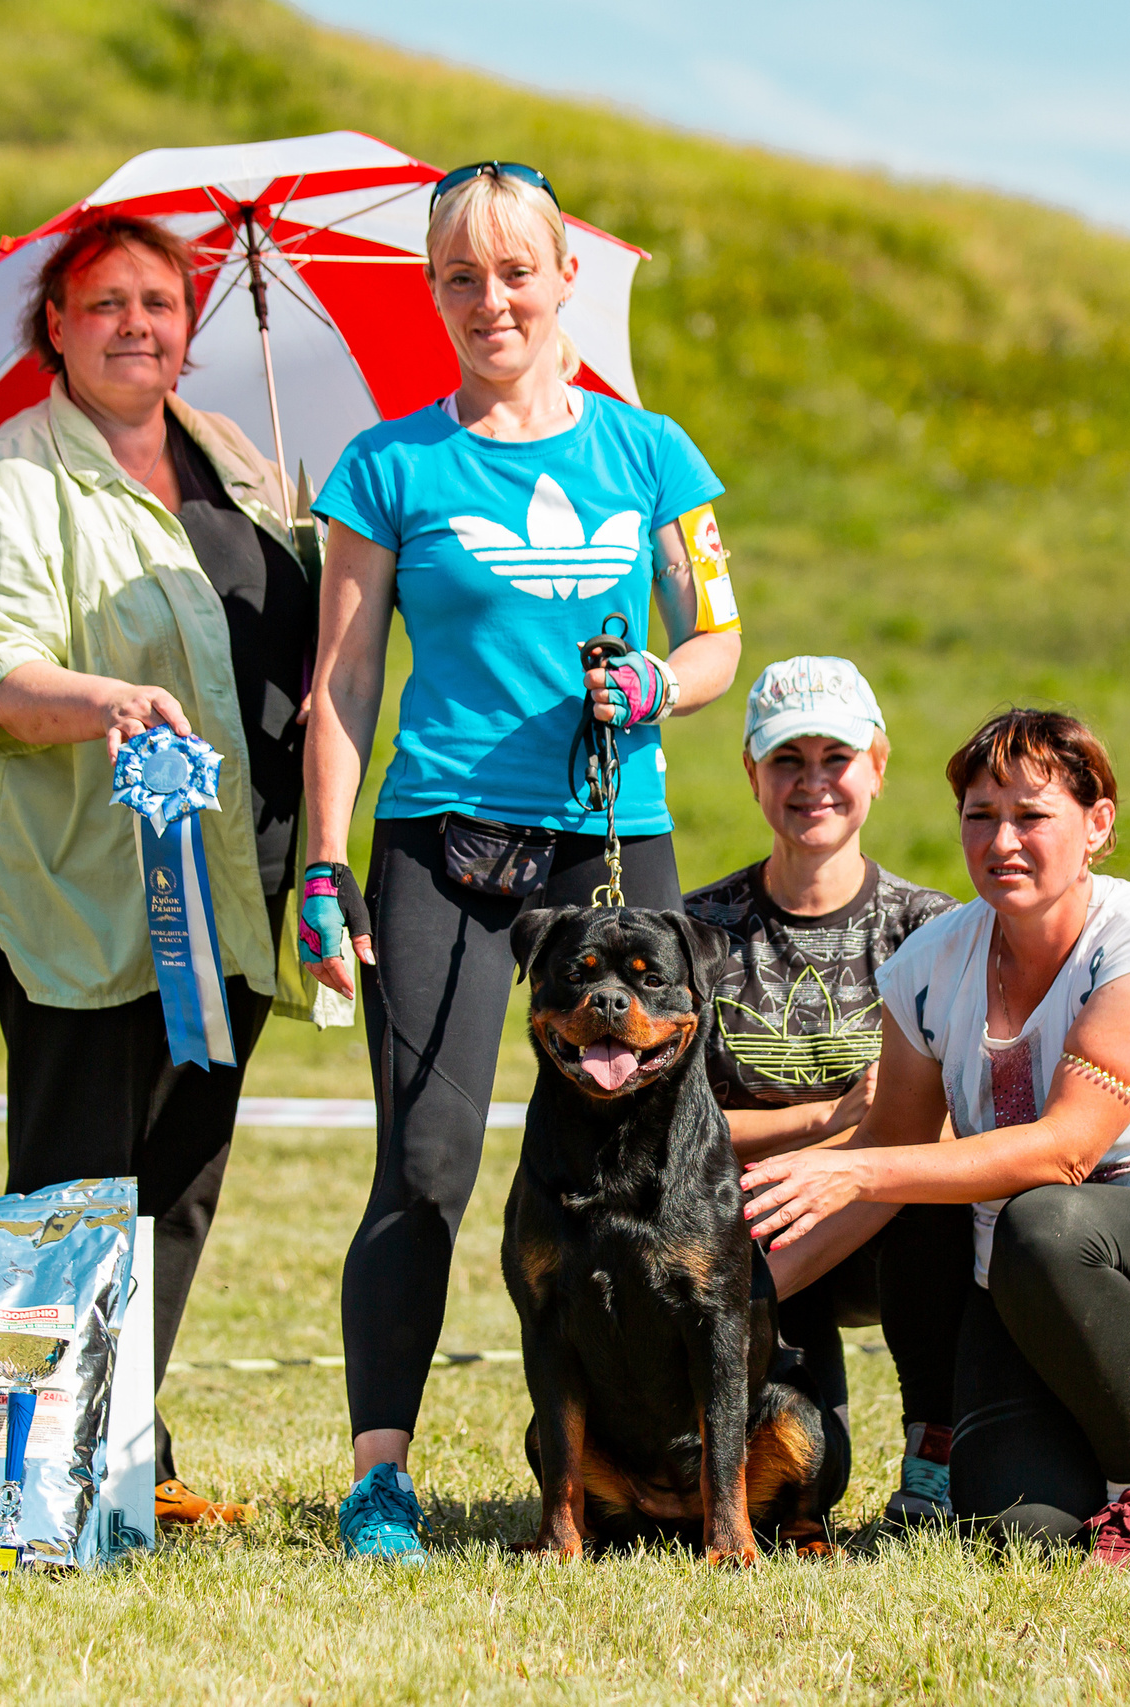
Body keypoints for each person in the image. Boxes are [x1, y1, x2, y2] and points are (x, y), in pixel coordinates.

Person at [300, 161, 744, 1560]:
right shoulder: (385, 464)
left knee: (674, 1175)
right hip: (443, 844)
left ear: (566, 282)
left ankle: (688, 1464)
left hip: (611, 840)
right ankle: (383, 1477)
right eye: (459, 277)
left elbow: (722, 637)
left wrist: (662, 684)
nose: (490, 299)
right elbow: (343, 680)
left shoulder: (654, 451)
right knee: (422, 1170)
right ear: (434, 293)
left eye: (514, 271)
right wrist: (324, 861)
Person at [0, 211, 315, 1530]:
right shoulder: (1, 484)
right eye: (106, 302)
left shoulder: (242, 462)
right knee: (74, 1174)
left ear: (193, 327)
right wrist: (106, 699)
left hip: (232, 876)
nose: (138, 321)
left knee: (181, 1172)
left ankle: (128, 1444)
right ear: (56, 331)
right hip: (74, 876)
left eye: (161, 300)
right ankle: (23, 1473)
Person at [738, 709, 1130, 1571]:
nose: (1003, 840)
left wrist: (857, 1168)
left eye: (1032, 816)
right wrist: (735, 1294)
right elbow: (891, 1165)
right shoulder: (927, 964)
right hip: (1039, 1289)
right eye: (980, 815)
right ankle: (939, 1462)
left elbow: (1066, 1151)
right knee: (1016, 1527)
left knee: (1044, 1216)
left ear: (1097, 825)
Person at [681, 657, 975, 1532]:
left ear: (879, 768)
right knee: (811, 1481)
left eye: (836, 758)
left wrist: (856, 1157)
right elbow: (669, 1133)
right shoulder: (697, 931)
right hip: (755, 1231)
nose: (813, 784)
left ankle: (935, 1457)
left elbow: (960, 1124)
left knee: (933, 1191)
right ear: (751, 773)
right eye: (787, 760)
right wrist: (827, 1120)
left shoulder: (934, 927)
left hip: (894, 1230)